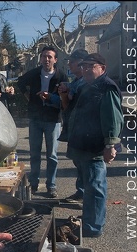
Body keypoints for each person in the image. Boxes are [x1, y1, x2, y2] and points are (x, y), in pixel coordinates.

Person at [66, 53, 123, 237]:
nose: (86, 69)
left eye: (92, 66)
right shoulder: (86, 85)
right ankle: (89, 219)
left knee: (96, 188)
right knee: (89, 188)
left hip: (96, 148)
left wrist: (110, 145)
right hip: (83, 145)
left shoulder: (107, 88)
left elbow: (113, 119)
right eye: (84, 66)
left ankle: (94, 227)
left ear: (102, 68)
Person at [17, 46, 68, 198]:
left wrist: (51, 98)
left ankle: (51, 185)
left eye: (50, 57)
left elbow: (66, 96)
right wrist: (29, 97)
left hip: (53, 119)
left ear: (55, 60)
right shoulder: (34, 73)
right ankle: (34, 183)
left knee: (52, 155)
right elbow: (20, 83)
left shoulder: (61, 76)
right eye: (44, 56)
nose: (46, 59)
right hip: (35, 118)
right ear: (40, 59)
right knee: (34, 153)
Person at [56, 49, 89, 205]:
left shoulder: (85, 82)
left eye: (72, 61)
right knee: (78, 163)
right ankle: (81, 191)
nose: (69, 64)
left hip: (83, 131)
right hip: (75, 130)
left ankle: (86, 195)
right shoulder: (76, 81)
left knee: (84, 165)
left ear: (81, 63)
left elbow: (71, 103)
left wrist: (65, 94)